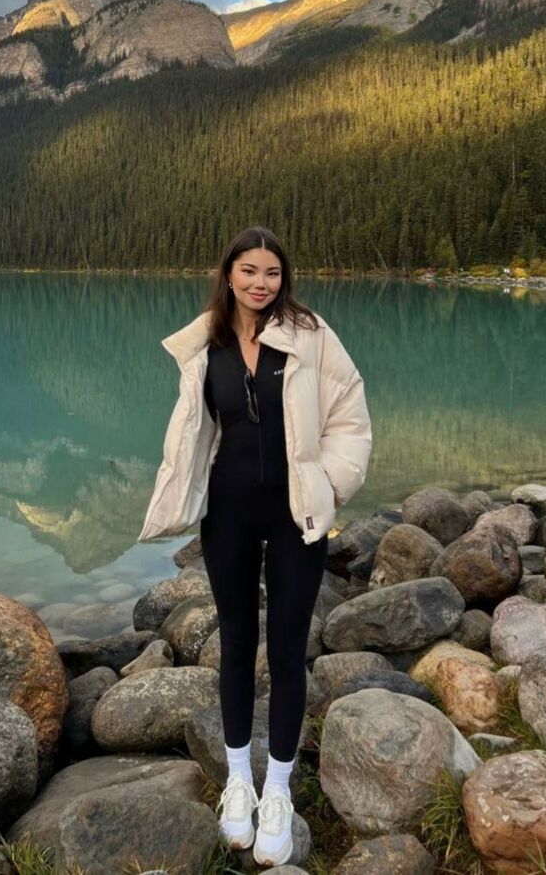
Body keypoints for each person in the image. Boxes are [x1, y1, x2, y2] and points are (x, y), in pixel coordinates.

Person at [137, 226, 372, 866]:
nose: (260, 283)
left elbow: (350, 415)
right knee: (238, 643)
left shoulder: (310, 334)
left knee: (289, 649)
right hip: (230, 514)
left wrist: (330, 484)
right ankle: (239, 780)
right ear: (229, 274)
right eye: (249, 271)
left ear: (283, 277)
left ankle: (279, 789)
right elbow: (194, 431)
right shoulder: (206, 343)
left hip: (297, 515)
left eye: (271, 272)